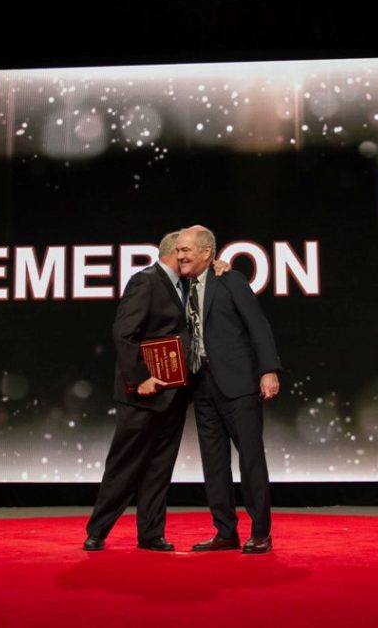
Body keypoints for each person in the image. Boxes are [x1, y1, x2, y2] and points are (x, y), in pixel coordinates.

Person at [83, 231, 192, 552]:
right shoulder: (146, 281)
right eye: (184, 251)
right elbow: (124, 332)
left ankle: (151, 534)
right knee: (126, 464)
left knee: (160, 467)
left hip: (174, 392)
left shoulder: (187, 286)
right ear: (174, 252)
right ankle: (98, 531)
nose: (188, 257)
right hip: (143, 393)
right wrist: (139, 378)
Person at [176, 225, 281, 554]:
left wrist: (268, 370)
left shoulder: (230, 280)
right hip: (202, 385)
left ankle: (261, 533)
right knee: (214, 463)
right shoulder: (181, 287)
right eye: (178, 251)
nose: (180, 256)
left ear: (207, 253)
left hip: (238, 385)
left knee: (251, 460)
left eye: (186, 251)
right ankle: (225, 532)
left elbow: (257, 325)